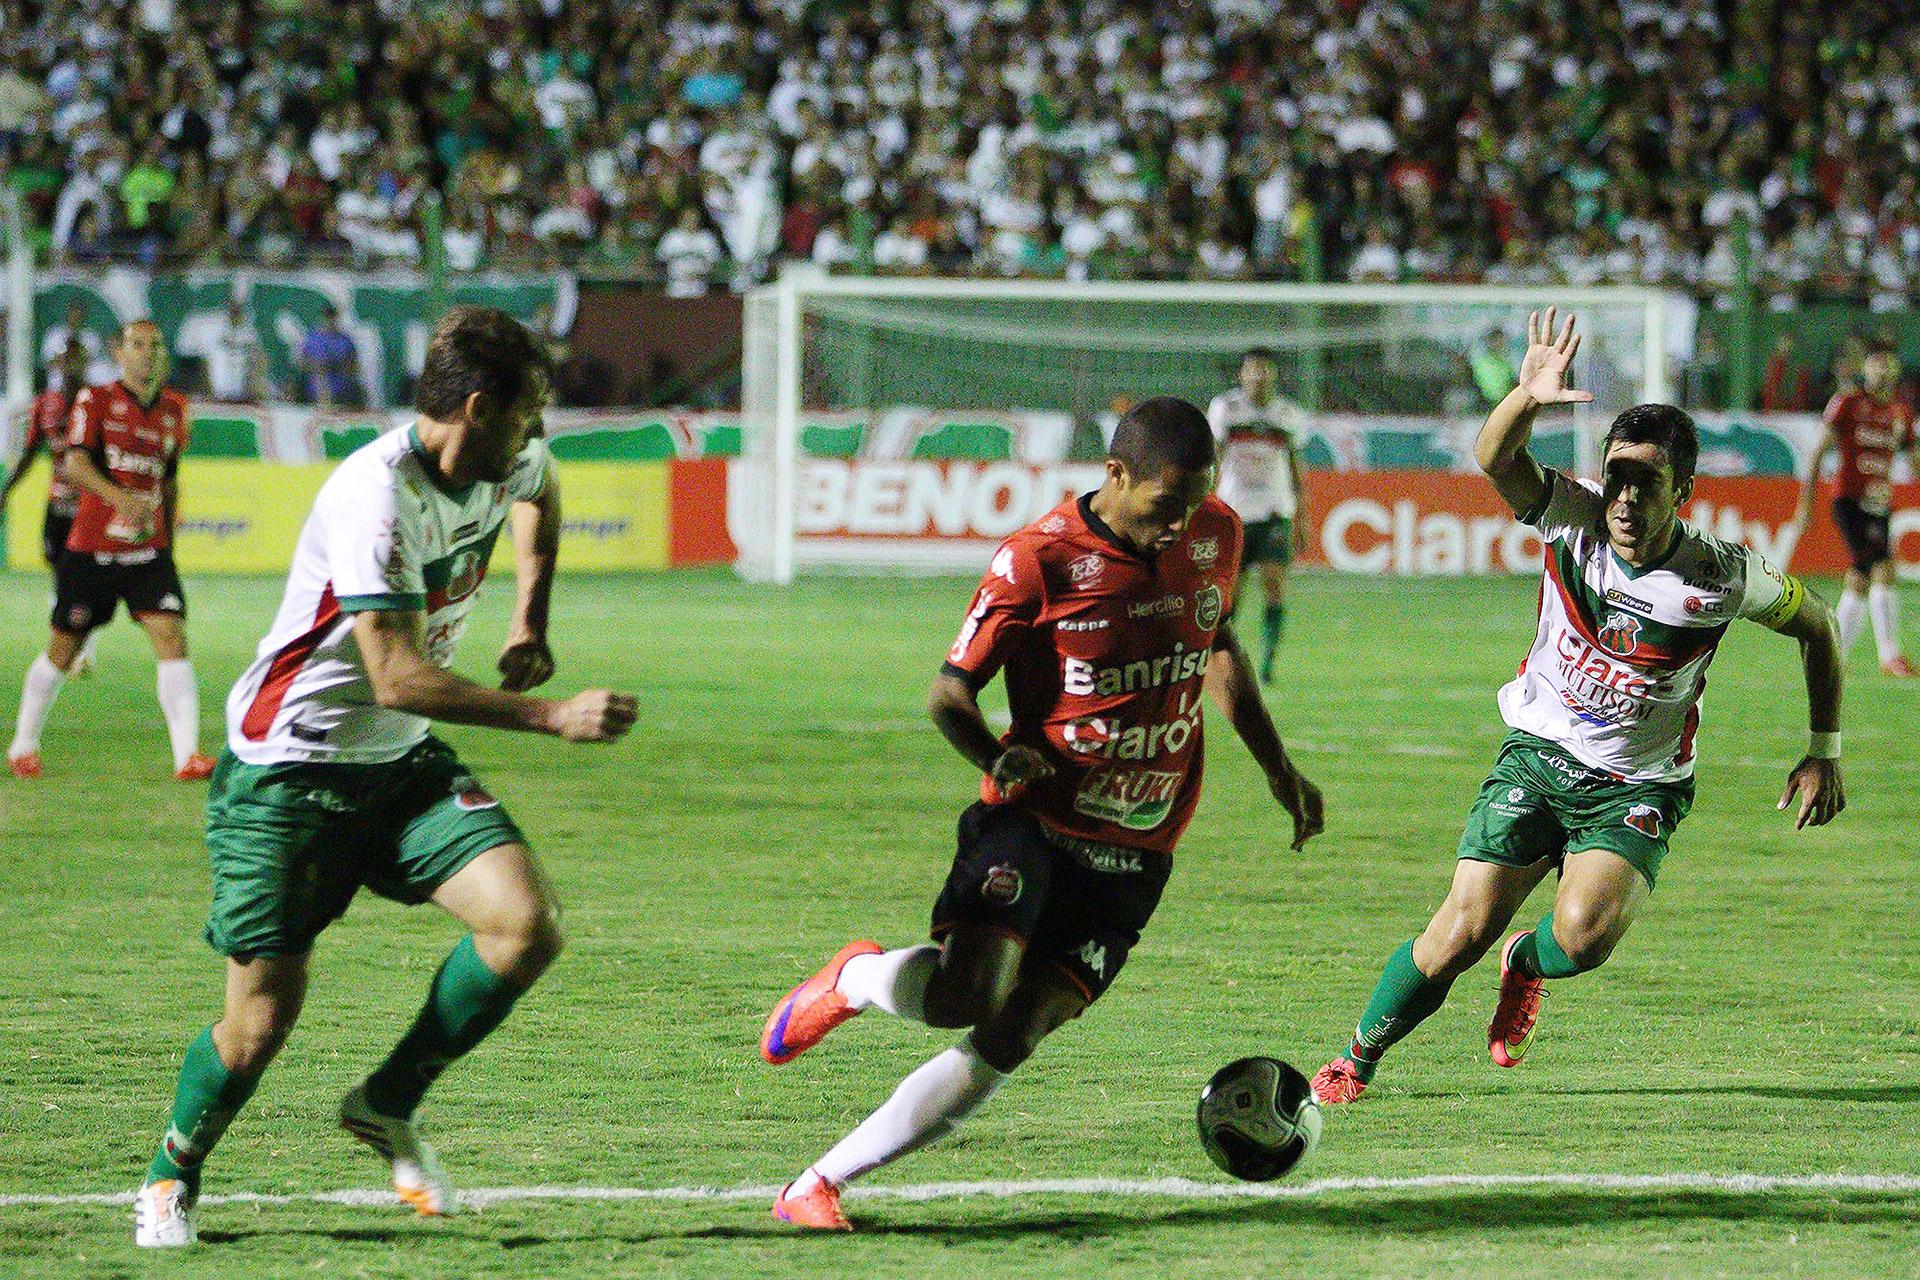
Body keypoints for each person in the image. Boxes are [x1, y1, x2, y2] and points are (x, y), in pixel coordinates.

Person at [132, 306, 638, 1248]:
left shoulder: (507, 459)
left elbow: (543, 490)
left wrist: (532, 614)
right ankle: (172, 1171)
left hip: (399, 760)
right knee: (257, 1028)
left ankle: (386, 1102)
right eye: (528, 411)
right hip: (289, 772)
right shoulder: (374, 495)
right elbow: (395, 674)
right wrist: (548, 714)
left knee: (526, 925)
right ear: (478, 409)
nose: (538, 432)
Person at [758, 397, 1325, 1231]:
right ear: (1115, 474)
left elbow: (1217, 646)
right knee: (964, 997)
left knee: (1019, 1028)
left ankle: (818, 1185)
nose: (1179, 526)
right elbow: (950, 693)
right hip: (1034, 819)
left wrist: (1278, 767)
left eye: (1194, 504)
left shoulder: (1217, 533)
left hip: (1141, 841)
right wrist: (994, 756)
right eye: (1165, 506)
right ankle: (853, 979)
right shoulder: (1039, 560)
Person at [1311, 309, 1844, 1105]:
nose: (1625, 499)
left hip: (1639, 783)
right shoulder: (1574, 516)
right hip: (1539, 756)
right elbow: (1494, 455)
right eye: (1617, 477)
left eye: (1647, 484)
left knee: (1585, 940)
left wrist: (1823, 748)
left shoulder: (1721, 576)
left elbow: (1821, 627)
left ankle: (1527, 965)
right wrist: (1526, 397)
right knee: (1456, 933)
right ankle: (1356, 1058)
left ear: (1685, 492)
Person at [7, 320, 215, 780]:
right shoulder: (95, 401)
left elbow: (170, 479)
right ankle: (23, 744)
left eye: (156, 346)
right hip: (92, 549)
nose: (147, 353)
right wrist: (121, 499)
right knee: (63, 649)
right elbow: (75, 464)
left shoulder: (176, 410)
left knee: (171, 635)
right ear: (119, 352)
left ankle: (187, 758)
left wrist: (167, 541)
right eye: (137, 345)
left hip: (148, 551)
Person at [1793, 339, 1917, 676]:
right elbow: (1818, 451)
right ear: (1866, 368)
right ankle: (1888, 655)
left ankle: (1835, 655)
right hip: (1848, 500)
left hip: (1880, 503)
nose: (1881, 369)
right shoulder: (1848, 402)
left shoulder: (1900, 413)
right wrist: (1806, 504)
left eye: (1887, 363)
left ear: (1896, 371)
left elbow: (1912, 456)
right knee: (1881, 568)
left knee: (1861, 576)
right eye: (1875, 363)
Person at [1207, 347, 1308, 682]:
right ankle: (1226, 659)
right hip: (1234, 511)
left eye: (1265, 370)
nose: (1259, 376)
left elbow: (1295, 466)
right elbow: (1214, 460)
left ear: (1274, 375)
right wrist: (1205, 506)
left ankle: (1267, 663)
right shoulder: (1226, 409)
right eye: (1253, 369)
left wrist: (1302, 516)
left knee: (1275, 583)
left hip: (1274, 510)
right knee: (1232, 592)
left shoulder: (1288, 414)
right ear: (1242, 374)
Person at [0, 342, 100, 675]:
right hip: (58, 503)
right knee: (60, 572)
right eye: (66, 360)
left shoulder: (98, 403)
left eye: (77, 360)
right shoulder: (45, 404)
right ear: (57, 363)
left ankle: (82, 650)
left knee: (80, 576)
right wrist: (6, 490)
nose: (71, 366)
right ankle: (72, 644)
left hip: (88, 505)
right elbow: (30, 451)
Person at [299, 304, 364, 407]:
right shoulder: (312, 339)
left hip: (341, 389)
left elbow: (355, 367)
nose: (329, 321)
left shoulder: (344, 340)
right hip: (315, 388)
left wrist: (336, 366)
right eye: (327, 317)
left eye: (332, 317)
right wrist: (318, 366)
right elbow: (303, 363)